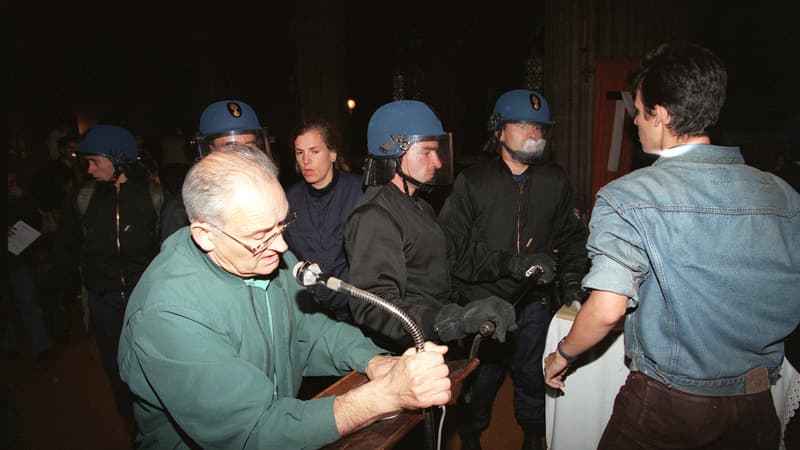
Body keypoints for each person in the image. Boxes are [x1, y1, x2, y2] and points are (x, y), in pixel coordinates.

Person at [543, 43, 800, 450]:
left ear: (659, 114)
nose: (635, 122)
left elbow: (607, 309)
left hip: (669, 409)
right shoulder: (783, 196)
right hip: (754, 405)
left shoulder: (627, 195)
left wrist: (561, 355)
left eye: (639, 110)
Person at [117, 145, 452, 449]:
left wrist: (374, 361)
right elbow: (254, 432)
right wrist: (383, 396)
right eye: (261, 236)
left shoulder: (261, 257)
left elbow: (312, 331)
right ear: (205, 235)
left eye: (282, 225)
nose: (280, 247)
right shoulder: (169, 315)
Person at [437, 89, 588, 450]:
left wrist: (570, 286)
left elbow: (571, 239)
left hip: (536, 303)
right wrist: (512, 265)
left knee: (533, 376)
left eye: (539, 126)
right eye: (521, 125)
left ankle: (533, 434)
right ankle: (471, 434)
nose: (533, 133)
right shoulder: (472, 182)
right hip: (483, 302)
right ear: (498, 131)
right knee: (482, 379)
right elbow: (452, 252)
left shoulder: (555, 180)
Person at [344, 100, 517, 354]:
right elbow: (374, 306)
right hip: (404, 354)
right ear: (394, 151)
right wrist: (452, 320)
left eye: (437, 151)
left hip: (430, 341)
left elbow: (453, 256)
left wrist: (512, 264)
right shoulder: (375, 215)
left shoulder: (418, 205)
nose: (437, 162)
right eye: (426, 152)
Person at [53, 125, 161, 423]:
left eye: (94, 161)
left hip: (146, 299)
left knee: (155, 364)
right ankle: (132, 424)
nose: (88, 169)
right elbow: (65, 246)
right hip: (104, 301)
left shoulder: (153, 195)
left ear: (119, 160)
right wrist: (69, 289)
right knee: (116, 368)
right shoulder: (83, 198)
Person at [159, 99, 276, 242]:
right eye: (231, 147)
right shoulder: (182, 211)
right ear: (209, 150)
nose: (244, 156)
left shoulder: (269, 196)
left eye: (250, 146)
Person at [284, 118, 362, 321]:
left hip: (357, 311)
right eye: (300, 153)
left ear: (333, 154)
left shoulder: (360, 193)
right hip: (311, 313)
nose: (306, 161)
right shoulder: (287, 201)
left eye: (314, 151)